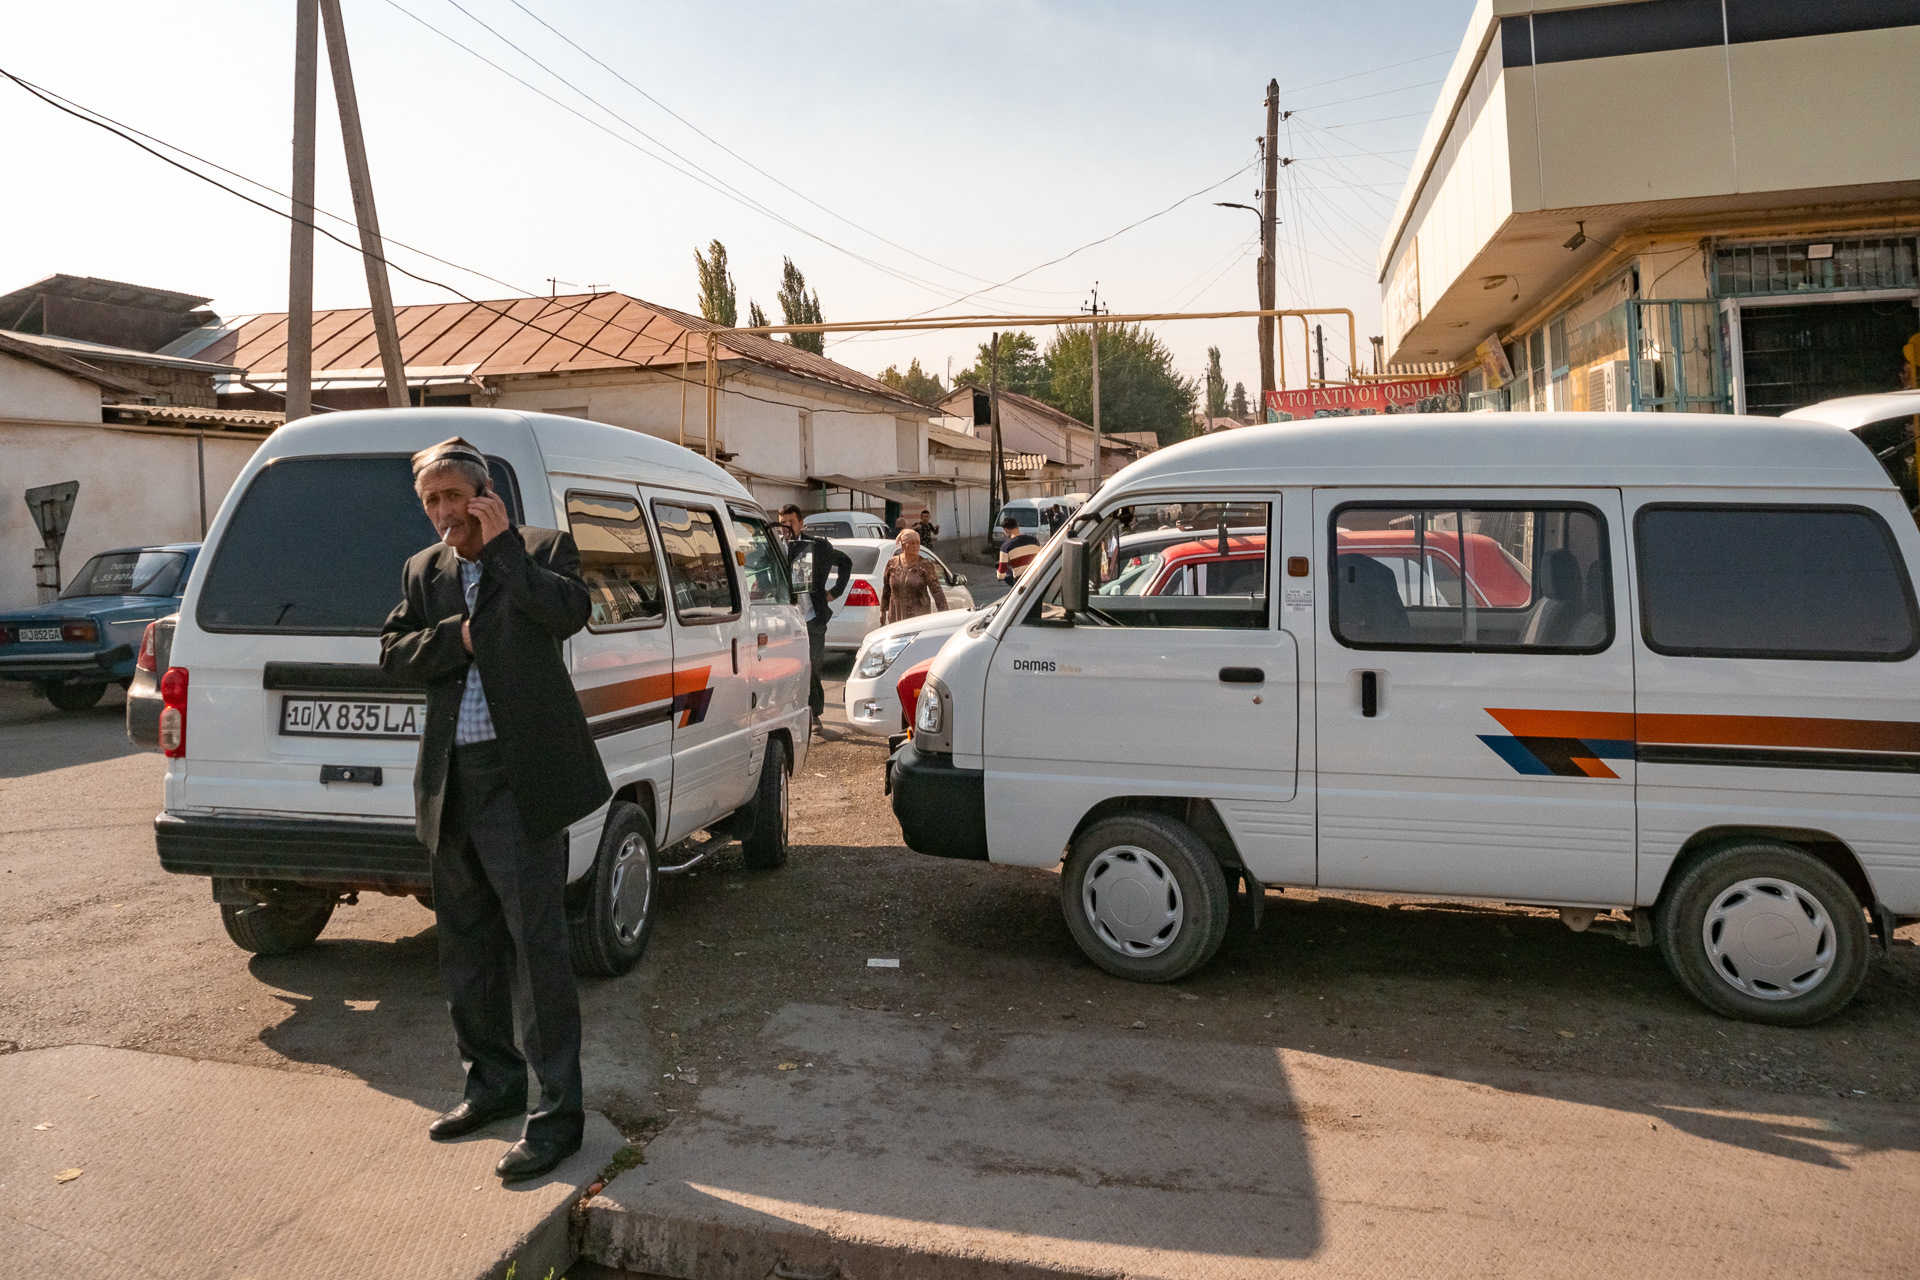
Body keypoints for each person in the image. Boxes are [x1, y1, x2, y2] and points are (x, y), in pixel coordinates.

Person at [379, 437, 610, 1183]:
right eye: (432, 502)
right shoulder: (425, 571)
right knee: (467, 947)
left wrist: (505, 546)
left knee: (536, 951)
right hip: (452, 784)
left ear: (484, 494)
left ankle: (557, 1119)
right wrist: (461, 637)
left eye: (455, 497)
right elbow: (391, 653)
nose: (445, 513)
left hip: (523, 783)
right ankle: (493, 1086)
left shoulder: (543, 549)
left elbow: (566, 614)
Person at [777, 504, 851, 734]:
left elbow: (845, 562)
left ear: (800, 523)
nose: (786, 528)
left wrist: (834, 591)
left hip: (812, 618)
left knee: (812, 667)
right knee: (787, 669)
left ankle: (815, 714)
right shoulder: (775, 548)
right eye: (782, 523)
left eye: (790, 522)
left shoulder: (817, 546)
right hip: (787, 620)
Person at [881, 528, 948, 625]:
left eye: (917, 543)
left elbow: (937, 591)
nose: (915, 546)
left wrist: (944, 614)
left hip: (919, 617)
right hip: (896, 616)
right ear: (903, 545)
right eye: (912, 543)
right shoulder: (892, 564)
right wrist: (883, 611)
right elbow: (887, 588)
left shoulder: (925, 565)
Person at [997, 514, 1041, 586]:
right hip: (1036, 576)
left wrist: (999, 575)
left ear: (1005, 530)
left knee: (999, 568)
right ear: (1018, 527)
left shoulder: (1005, 547)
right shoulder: (1034, 541)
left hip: (1020, 580)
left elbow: (1001, 574)